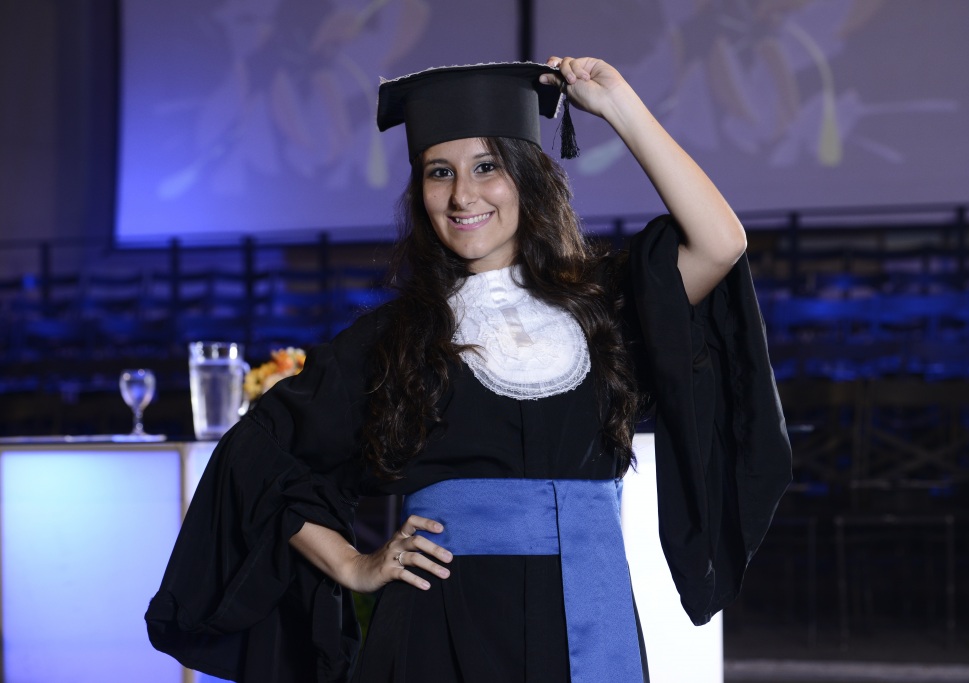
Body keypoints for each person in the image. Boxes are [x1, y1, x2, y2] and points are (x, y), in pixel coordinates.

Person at [146, 56, 792, 683]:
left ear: (528, 178)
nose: (462, 195)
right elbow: (259, 454)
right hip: (439, 629)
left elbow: (720, 242)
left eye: (487, 167)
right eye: (439, 172)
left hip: (591, 620)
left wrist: (619, 107)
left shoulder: (607, 310)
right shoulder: (394, 338)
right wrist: (351, 563)